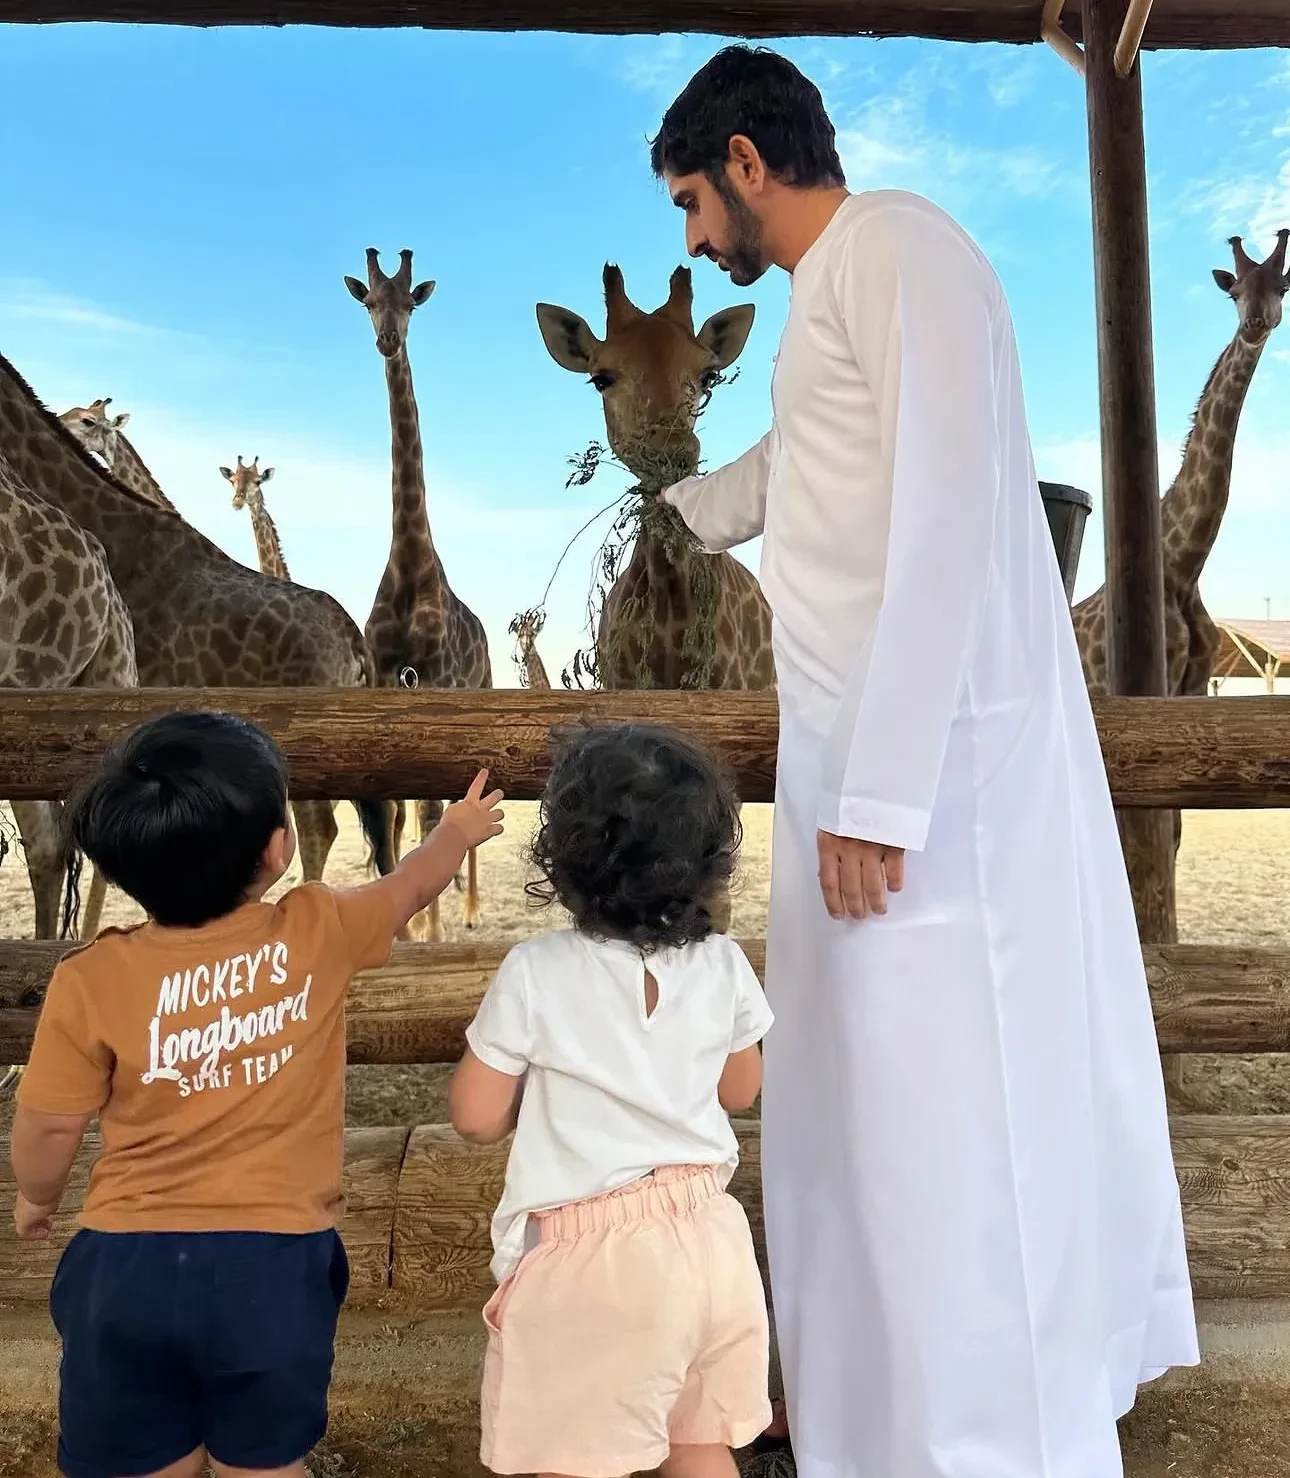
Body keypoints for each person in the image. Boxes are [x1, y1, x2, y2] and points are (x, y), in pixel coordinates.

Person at [650, 44, 1200, 1478]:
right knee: (864, 1110)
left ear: (747, 162)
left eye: (691, 202)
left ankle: (981, 1435)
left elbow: (949, 507)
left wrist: (883, 789)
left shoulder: (904, 251)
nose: (692, 240)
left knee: (953, 1115)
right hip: (863, 779)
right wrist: (673, 502)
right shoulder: (833, 291)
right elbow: (799, 468)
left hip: (935, 799)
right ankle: (873, 1417)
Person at [9, 710, 504, 1478]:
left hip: (124, 1269)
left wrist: (36, 1198)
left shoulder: (89, 979)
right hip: (273, 1269)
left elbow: (47, 1126)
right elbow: (409, 886)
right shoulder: (318, 927)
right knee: (264, 1463)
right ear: (278, 849)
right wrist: (456, 834)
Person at [449, 723, 774, 1478]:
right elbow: (741, 1089)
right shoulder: (724, 963)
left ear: (564, 859)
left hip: (594, 1266)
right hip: (711, 1242)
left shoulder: (536, 971)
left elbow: (474, 1116)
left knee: (568, 1457)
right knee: (698, 1445)